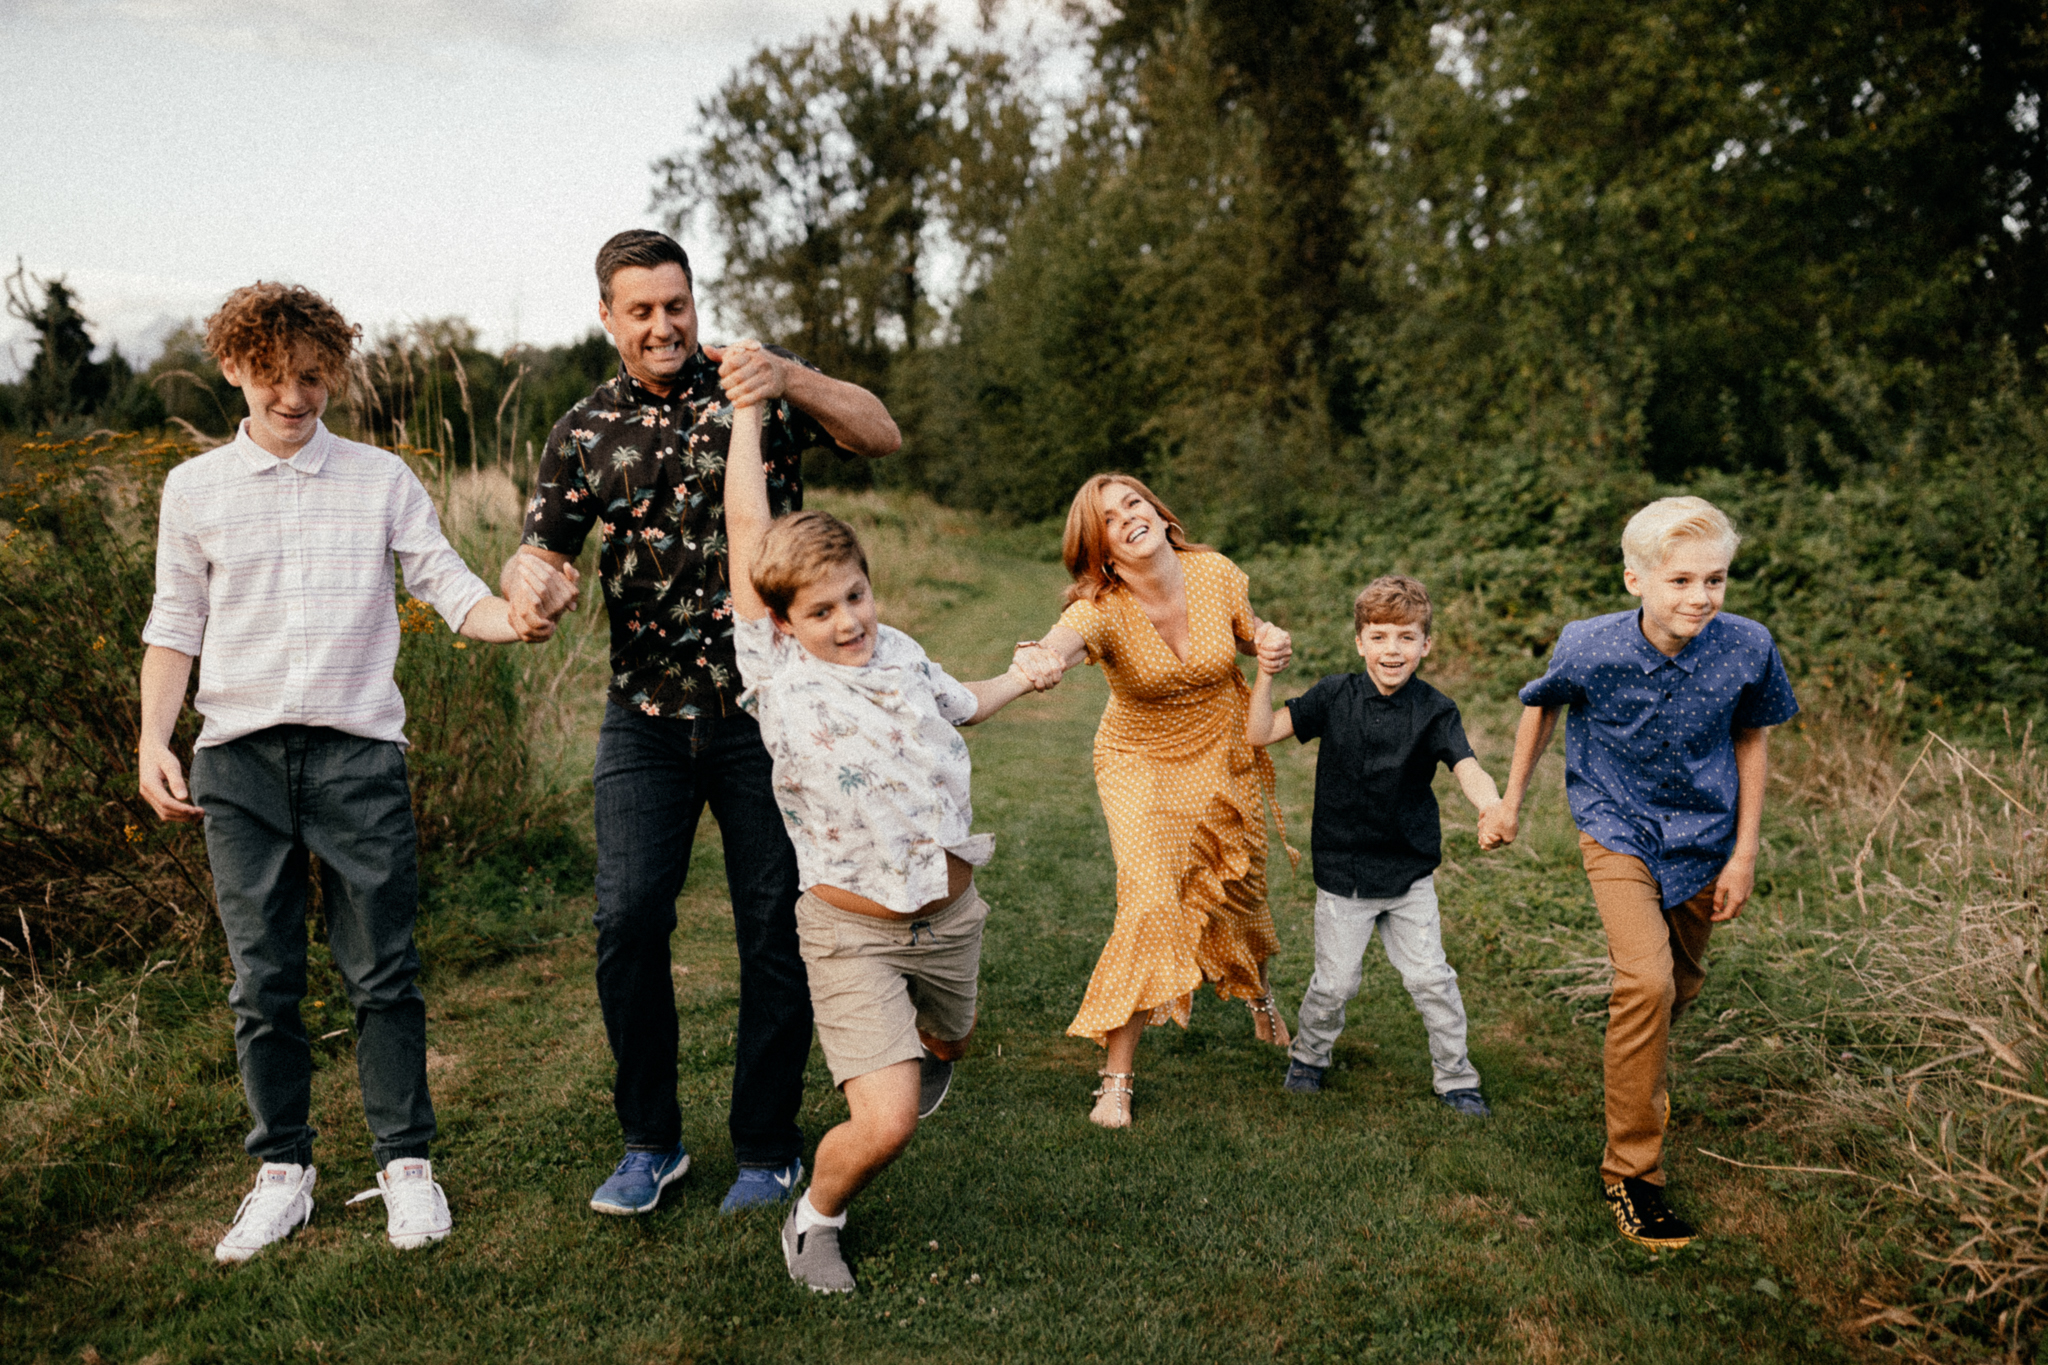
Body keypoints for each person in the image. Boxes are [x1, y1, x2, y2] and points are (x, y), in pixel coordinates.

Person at [137, 282, 551, 1262]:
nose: (295, 396)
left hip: (358, 756)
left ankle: (405, 1166)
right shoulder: (193, 488)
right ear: (236, 368)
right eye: (275, 379)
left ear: (337, 373)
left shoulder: (380, 480)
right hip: (234, 763)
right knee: (261, 981)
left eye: (314, 378)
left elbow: (450, 589)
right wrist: (155, 737)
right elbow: (173, 625)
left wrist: (516, 617)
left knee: (382, 972)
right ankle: (282, 1173)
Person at [503, 230, 901, 1218]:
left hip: (775, 714)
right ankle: (650, 1144)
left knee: (775, 930)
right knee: (627, 920)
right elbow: (541, 553)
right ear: (607, 317)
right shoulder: (584, 427)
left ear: (693, 301)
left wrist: (795, 376)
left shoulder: (753, 390)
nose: (661, 325)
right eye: (638, 310)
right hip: (642, 717)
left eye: (673, 304)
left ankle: (767, 1147)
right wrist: (529, 586)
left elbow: (878, 432)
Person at [719, 381, 1048, 1292]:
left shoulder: (899, 649)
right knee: (889, 1121)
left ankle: (925, 1049)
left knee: (954, 1039)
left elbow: (963, 703)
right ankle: (816, 1219)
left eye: (855, 596)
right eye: (821, 611)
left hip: (951, 914)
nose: (848, 621)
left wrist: (1025, 674)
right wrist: (748, 411)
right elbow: (748, 530)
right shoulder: (776, 675)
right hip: (851, 930)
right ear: (781, 622)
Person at [1477, 496, 1799, 1250]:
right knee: (1647, 982)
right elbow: (1541, 705)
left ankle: (1637, 1063)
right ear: (1636, 578)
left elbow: (1752, 736)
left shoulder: (1747, 646)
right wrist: (1511, 801)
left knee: (1678, 986)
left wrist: (1745, 851)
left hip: (1704, 835)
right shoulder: (1590, 644)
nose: (1700, 597)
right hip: (1615, 825)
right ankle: (1634, 1173)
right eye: (1681, 580)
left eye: (1715, 580)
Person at [1012, 474, 1294, 1128]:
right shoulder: (1101, 608)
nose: (1128, 517)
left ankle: (1258, 994)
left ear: (1162, 515)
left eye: (1133, 503)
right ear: (1103, 550)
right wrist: (1036, 662)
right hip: (1139, 760)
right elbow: (1061, 641)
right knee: (1150, 899)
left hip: (1221, 745)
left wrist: (1268, 638)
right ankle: (1116, 1077)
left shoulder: (1217, 571)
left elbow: (1246, 635)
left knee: (1241, 887)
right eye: (1109, 519)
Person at [1244, 574, 1502, 1115]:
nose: (1393, 650)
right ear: (1360, 641)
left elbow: (1468, 766)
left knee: (1432, 979)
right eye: (1380, 636)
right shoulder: (1334, 694)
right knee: (1335, 985)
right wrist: (1265, 675)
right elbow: (1261, 732)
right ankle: (1309, 1058)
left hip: (1409, 874)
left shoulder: (1436, 709)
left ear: (1425, 645)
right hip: (1344, 873)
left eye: (1407, 637)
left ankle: (1457, 1080)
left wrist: (1491, 805)